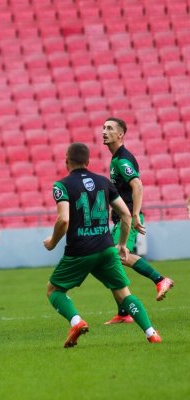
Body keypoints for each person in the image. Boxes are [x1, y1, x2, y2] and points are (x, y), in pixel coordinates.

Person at [44, 142, 161, 348]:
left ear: (66, 161)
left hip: (79, 251)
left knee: (54, 290)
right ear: (88, 161)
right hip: (106, 248)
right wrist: (123, 244)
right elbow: (125, 214)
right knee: (124, 293)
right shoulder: (103, 181)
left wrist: (52, 242)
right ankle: (151, 333)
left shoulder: (61, 185)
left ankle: (76, 321)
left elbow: (63, 220)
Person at [102, 117, 174, 325]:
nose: (104, 132)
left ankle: (160, 280)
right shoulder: (116, 158)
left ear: (120, 134)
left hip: (126, 218)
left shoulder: (122, 160)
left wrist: (134, 215)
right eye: (103, 128)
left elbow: (138, 185)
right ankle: (123, 313)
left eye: (109, 128)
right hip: (119, 219)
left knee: (117, 256)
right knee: (112, 261)